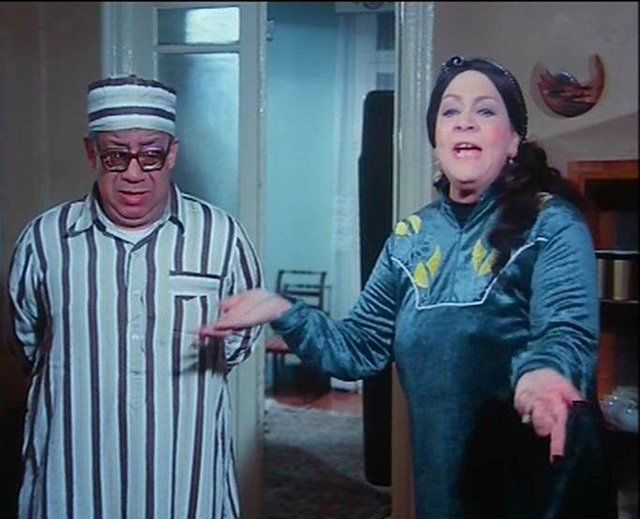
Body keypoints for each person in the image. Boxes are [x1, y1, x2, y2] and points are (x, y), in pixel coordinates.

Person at [201, 56, 616, 518]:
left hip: (539, 492)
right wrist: (283, 309)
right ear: (436, 137)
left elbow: (565, 330)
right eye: (450, 111)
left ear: (514, 139)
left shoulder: (551, 223)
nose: (464, 122)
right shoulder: (410, 238)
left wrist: (546, 375)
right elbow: (357, 348)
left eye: (485, 111)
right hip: (442, 493)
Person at [8, 75, 263, 518]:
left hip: (184, 481)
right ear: (92, 153)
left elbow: (241, 342)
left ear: (172, 154)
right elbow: (27, 343)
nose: (132, 173)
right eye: (115, 156)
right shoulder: (44, 240)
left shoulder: (222, 239)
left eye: (150, 155)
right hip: (72, 482)